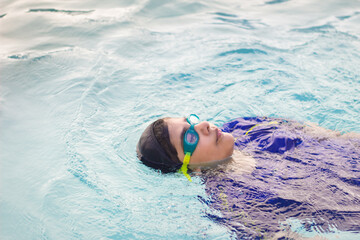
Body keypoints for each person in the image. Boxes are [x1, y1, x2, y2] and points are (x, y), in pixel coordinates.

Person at [136, 114, 360, 239]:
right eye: (190, 136)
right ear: (189, 168)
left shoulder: (245, 126)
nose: (203, 125)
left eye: (192, 121)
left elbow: (333, 137)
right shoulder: (231, 203)